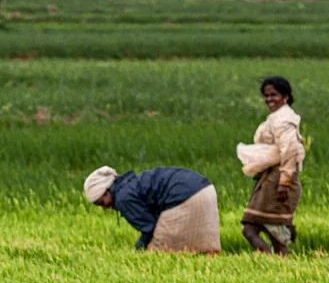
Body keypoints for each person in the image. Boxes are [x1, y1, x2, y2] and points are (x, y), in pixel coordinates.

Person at [84, 166, 221, 253]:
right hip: (207, 189)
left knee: (157, 250)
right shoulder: (131, 185)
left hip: (187, 197)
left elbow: (149, 228)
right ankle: (209, 254)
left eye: (101, 202)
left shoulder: (123, 198)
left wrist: (136, 250)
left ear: (107, 190)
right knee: (203, 244)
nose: (103, 207)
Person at [242, 76, 305, 256]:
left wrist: (284, 182)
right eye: (266, 95)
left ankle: (270, 261)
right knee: (270, 229)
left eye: (274, 95)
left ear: (285, 96)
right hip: (271, 176)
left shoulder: (284, 119)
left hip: (279, 177)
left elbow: (290, 150)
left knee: (252, 229)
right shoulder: (276, 117)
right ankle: (277, 262)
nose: (269, 99)